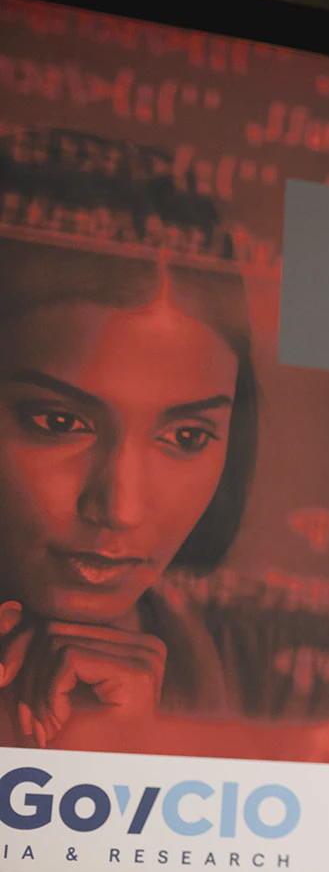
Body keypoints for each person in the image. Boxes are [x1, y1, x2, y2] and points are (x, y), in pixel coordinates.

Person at [0, 235, 258, 747]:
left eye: (187, 437)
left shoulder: (291, 687)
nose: (122, 510)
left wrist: (129, 762)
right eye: (59, 422)